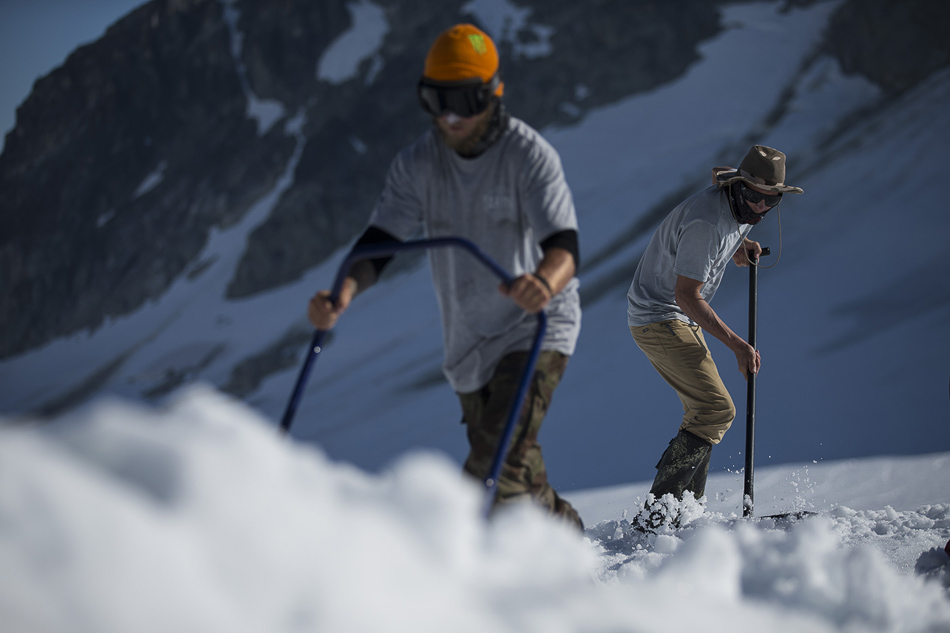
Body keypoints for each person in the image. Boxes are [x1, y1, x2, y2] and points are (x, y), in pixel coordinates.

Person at [307, 24, 584, 530]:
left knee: (491, 470)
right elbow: (379, 241)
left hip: (535, 327)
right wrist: (342, 292)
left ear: (493, 93)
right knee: (512, 467)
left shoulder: (529, 156)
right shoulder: (417, 164)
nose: (451, 115)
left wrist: (542, 283)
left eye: (466, 98)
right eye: (437, 100)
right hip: (468, 342)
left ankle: (453, 562)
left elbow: (564, 245)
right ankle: (562, 528)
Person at [626, 145, 803, 522]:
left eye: (770, 201)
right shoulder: (706, 224)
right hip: (661, 316)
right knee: (715, 409)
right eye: (753, 197)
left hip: (672, 316)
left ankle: (683, 510)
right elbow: (686, 295)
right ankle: (658, 517)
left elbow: (718, 174)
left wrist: (739, 243)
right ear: (739, 188)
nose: (759, 208)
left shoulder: (733, 195)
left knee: (705, 411)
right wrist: (738, 346)